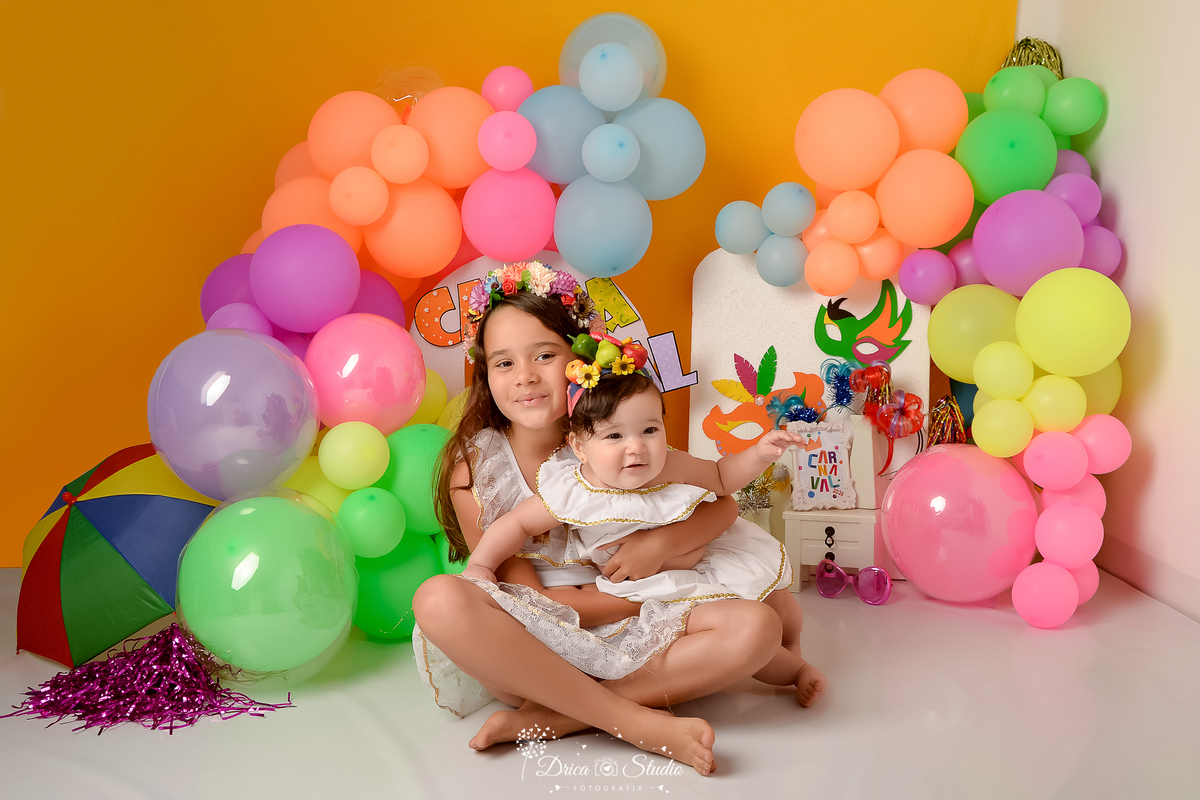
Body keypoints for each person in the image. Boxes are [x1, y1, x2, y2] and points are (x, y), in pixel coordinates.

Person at [411, 262, 797, 776]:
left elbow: (720, 501)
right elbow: (529, 600)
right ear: (485, 374)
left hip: (641, 620)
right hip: (539, 645)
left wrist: (659, 549)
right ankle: (632, 720)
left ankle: (559, 717)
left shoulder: (619, 435)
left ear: (580, 359)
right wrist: (647, 596)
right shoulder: (479, 468)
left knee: (758, 628)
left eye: (544, 355)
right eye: (504, 363)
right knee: (438, 598)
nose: (525, 376)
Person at [462, 363, 826, 707]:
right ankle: (792, 671)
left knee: (778, 600)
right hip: (649, 588)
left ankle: (793, 648)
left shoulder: (670, 464)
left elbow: (720, 477)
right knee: (743, 626)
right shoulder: (574, 490)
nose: (636, 447)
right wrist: (481, 564)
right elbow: (516, 524)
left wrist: (759, 454)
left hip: (706, 561)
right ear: (579, 447)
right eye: (614, 435)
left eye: (650, 430)